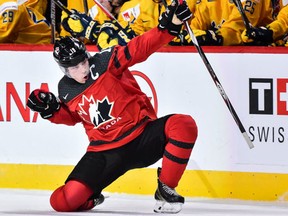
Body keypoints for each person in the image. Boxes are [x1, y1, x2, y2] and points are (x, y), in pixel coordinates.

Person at [26, 0, 197, 214]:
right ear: (64, 70)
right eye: (75, 68)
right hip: (104, 153)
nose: (82, 70)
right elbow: (72, 117)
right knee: (61, 202)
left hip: (141, 137)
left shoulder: (106, 62)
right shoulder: (66, 89)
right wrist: (50, 111)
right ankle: (92, 199)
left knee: (183, 125)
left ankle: (166, 188)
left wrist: (169, 27)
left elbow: (139, 48)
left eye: (83, 62)